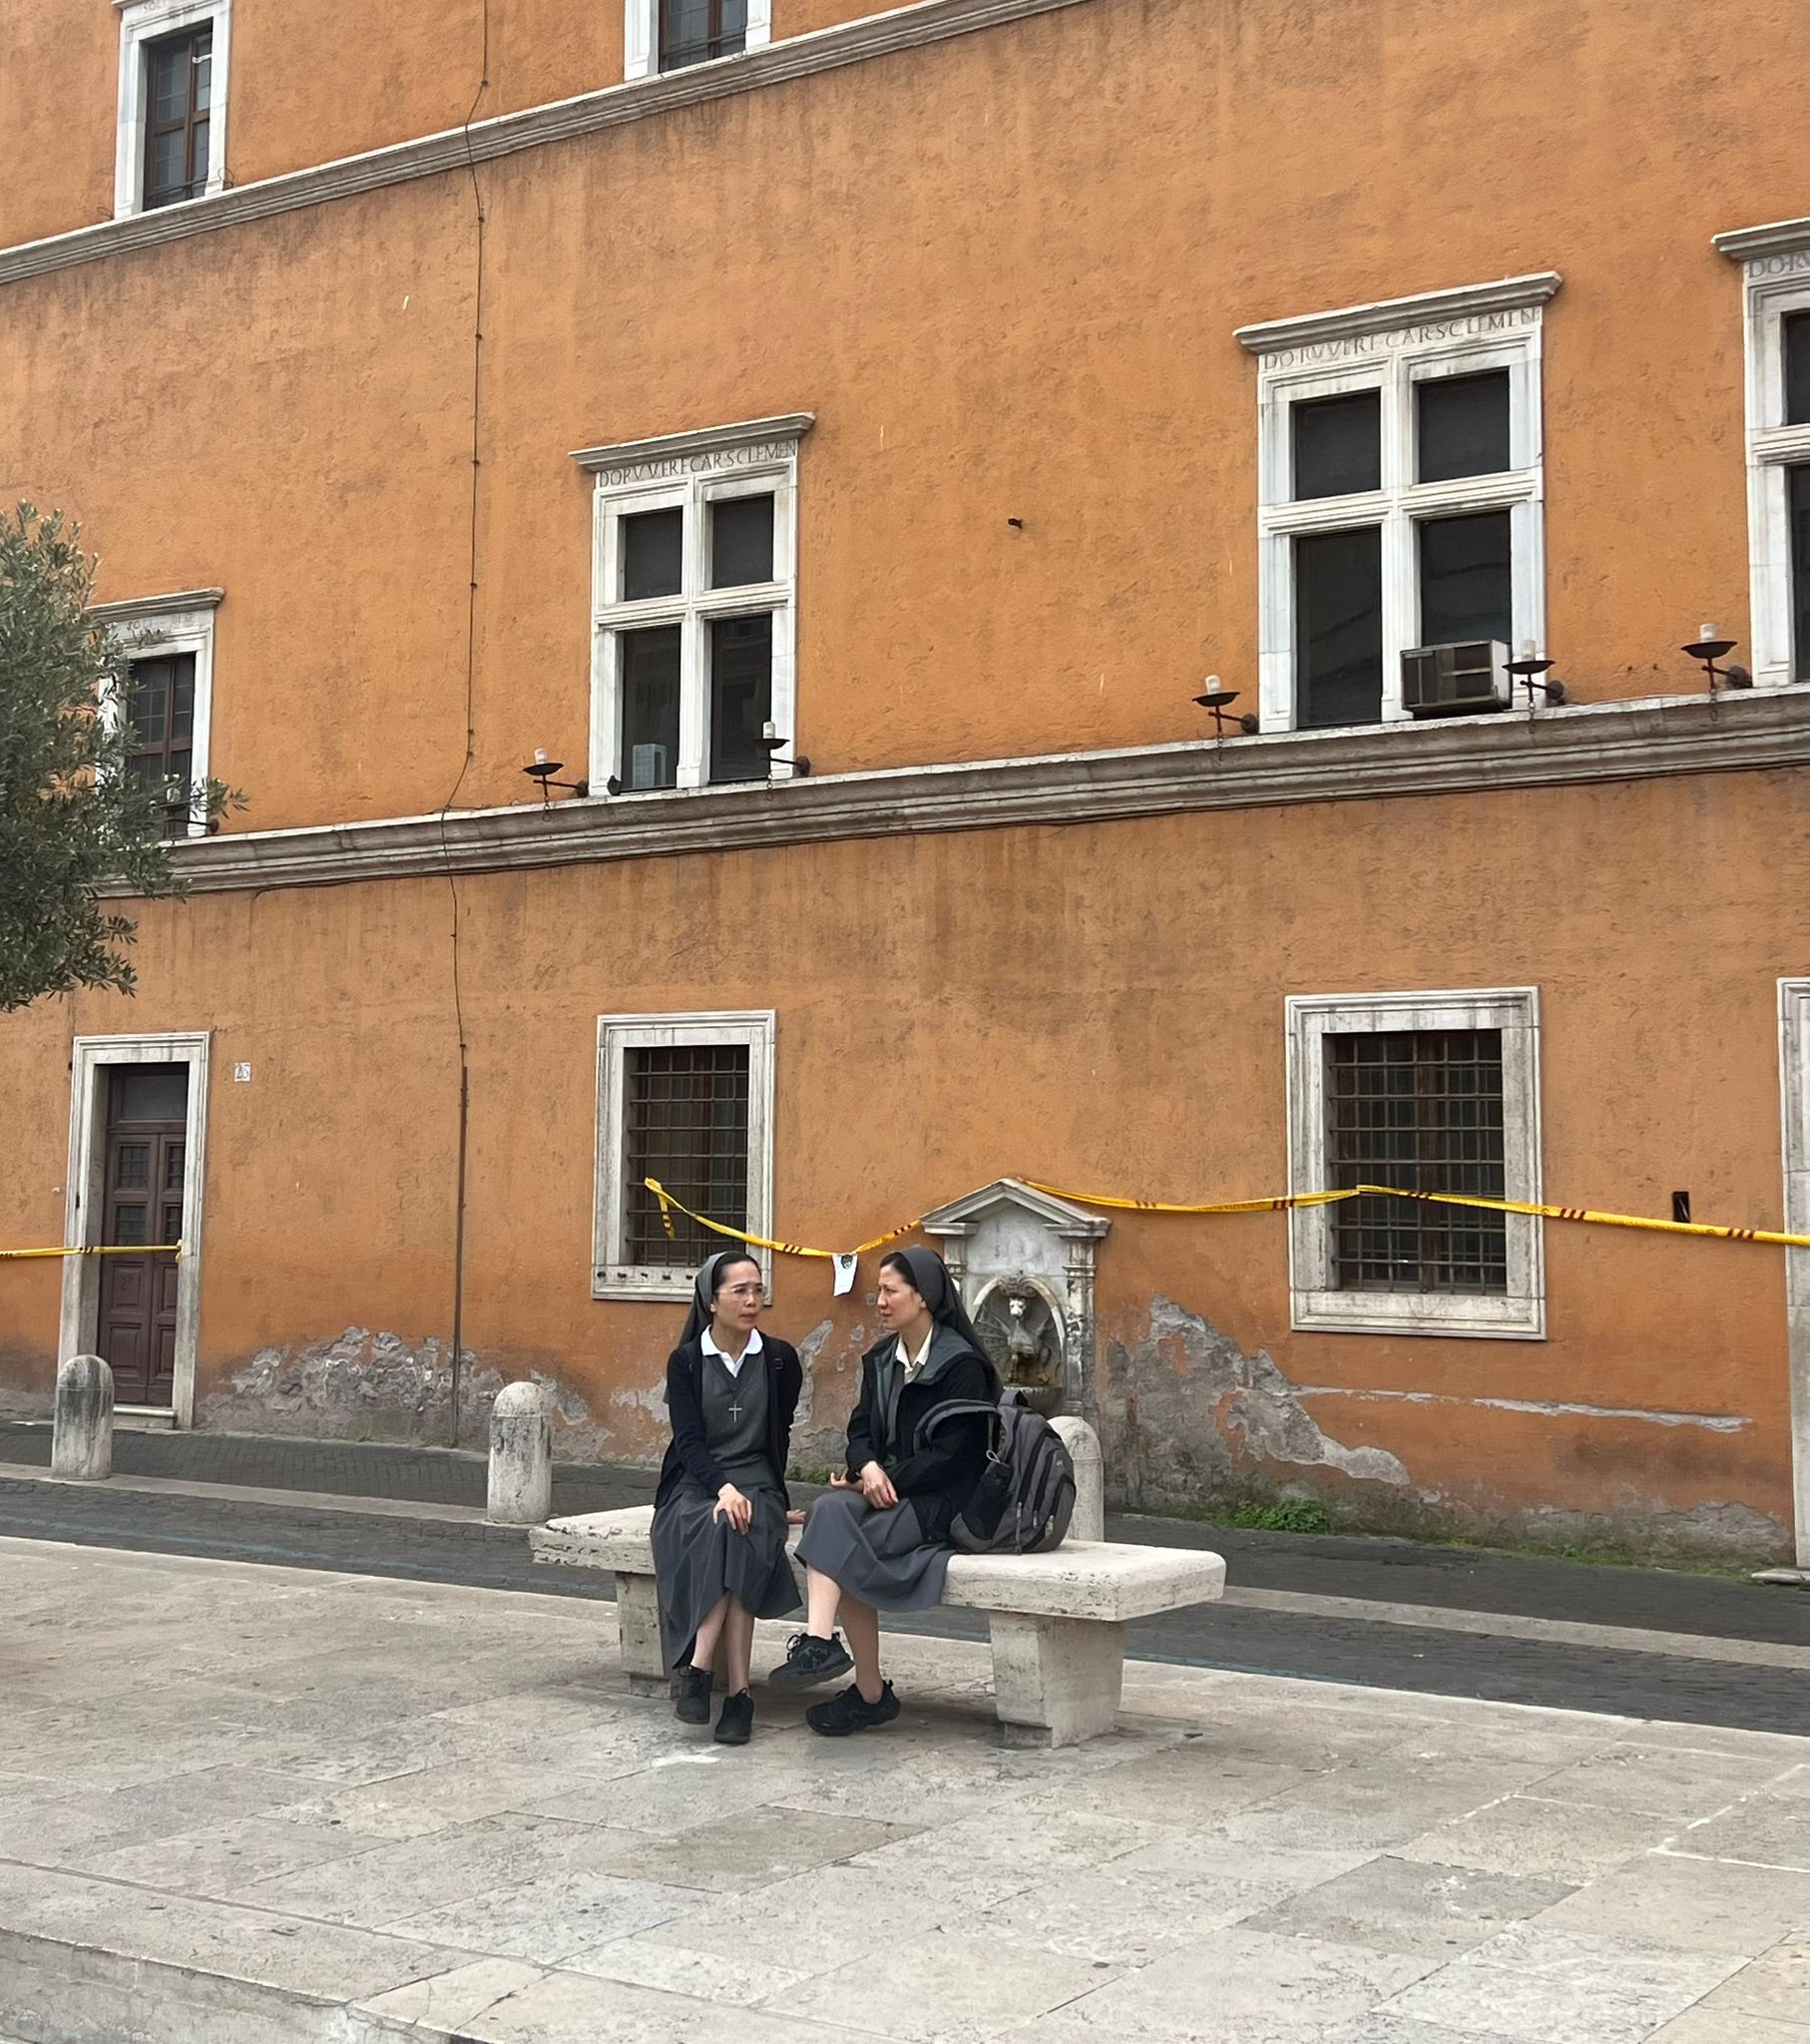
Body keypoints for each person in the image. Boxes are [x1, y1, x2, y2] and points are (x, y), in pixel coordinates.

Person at [769, 1246, 1000, 1737]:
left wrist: (880, 1480)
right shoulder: (880, 1360)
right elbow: (859, 1432)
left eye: (890, 1291)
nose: (879, 1301)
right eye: (879, 1291)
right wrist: (866, 1466)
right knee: (831, 1510)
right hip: (889, 1490)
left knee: (841, 1542)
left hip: (945, 1504)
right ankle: (823, 1644)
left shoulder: (963, 1367)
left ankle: (866, 1689)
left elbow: (954, 1456)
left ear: (924, 1298)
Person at [650, 1249, 803, 1745]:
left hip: (757, 1482)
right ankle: (738, 1695)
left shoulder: (780, 1360)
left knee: (741, 1524)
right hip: (696, 1485)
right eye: (740, 1291)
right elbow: (689, 1442)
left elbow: (776, 1438)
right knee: (727, 1527)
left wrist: (773, 1500)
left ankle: (698, 1671)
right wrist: (722, 1487)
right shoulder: (687, 1361)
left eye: (758, 1290)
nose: (752, 1300)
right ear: (711, 1301)